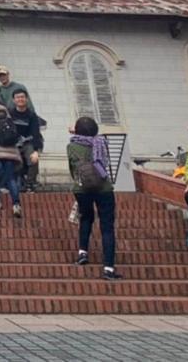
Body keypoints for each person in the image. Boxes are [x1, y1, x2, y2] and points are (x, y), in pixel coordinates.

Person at [68, 115, 121, 280]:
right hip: (104, 188)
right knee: (107, 227)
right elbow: (104, 163)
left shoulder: (72, 146)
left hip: (82, 188)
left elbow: (73, 168)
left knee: (86, 218)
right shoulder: (101, 143)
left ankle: (82, 253)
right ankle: (109, 268)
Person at [9, 89, 43, 192]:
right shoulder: (9, 113)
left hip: (27, 142)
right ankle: (15, 183)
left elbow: (35, 133)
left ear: (26, 99)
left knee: (33, 160)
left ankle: (30, 184)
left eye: (22, 97)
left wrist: (36, 151)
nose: (20, 99)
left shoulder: (32, 115)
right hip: (12, 144)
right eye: (17, 97)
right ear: (14, 100)